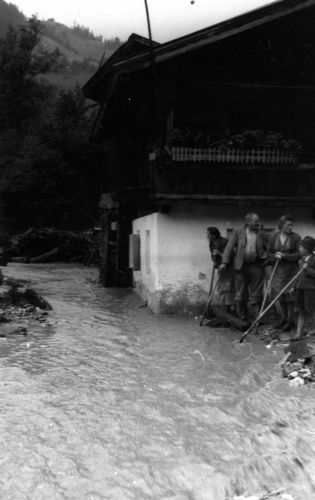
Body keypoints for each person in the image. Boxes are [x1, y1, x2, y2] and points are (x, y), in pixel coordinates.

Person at [220, 213, 267, 320]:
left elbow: (268, 248)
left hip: (256, 265)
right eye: (256, 221)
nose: (258, 223)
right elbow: (229, 247)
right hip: (241, 267)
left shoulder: (261, 233)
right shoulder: (238, 232)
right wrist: (224, 262)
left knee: (257, 292)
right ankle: (241, 315)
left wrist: (267, 259)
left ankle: (257, 317)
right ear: (248, 222)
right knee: (240, 292)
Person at [267, 214, 301, 331]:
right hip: (277, 272)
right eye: (288, 225)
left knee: (289, 297)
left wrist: (285, 256)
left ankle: (289, 321)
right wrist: (274, 256)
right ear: (281, 225)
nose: (291, 227)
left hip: (291, 271)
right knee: (280, 296)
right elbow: (268, 254)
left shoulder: (296, 237)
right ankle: (283, 319)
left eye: (292, 225)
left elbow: (299, 254)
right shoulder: (273, 237)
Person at [292, 236, 315, 340]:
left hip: (310, 289)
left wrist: (308, 269)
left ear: (307, 248)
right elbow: (298, 275)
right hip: (300, 288)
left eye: (301, 247)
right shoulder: (301, 260)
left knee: (312, 311)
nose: (299, 249)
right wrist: (294, 286)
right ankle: (299, 334)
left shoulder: (314, 259)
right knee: (302, 311)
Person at [206, 227, 234, 310]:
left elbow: (230, 256)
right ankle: (224, 308)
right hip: (220, 268)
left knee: (228, 289)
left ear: (214, 235)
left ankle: (229, 309)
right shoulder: (211, 243)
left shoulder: (225, 242)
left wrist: (224, 262)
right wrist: (215, 261)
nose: (207, 236)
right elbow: (212, 255)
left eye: (208, 235)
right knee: (221, 288)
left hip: (229, 269)